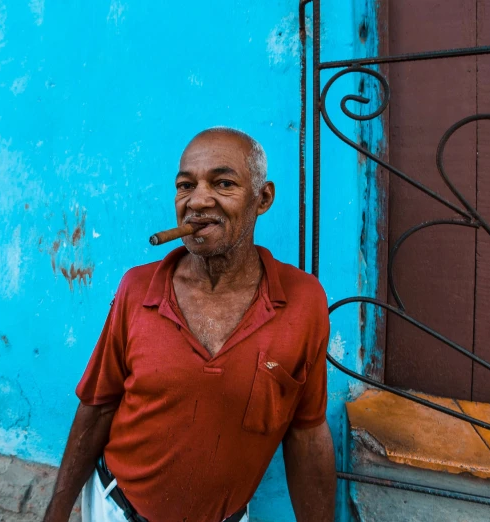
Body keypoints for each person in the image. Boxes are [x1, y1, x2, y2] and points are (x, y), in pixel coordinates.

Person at [43, 128, 335, 522]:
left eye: (223, 183)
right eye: (185, 186)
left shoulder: (304, 302)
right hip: (117, 509)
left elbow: (306, 432)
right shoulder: (138, 288)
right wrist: (56, 514)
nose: (197, 201)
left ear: (262, 198)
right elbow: (97, 408)